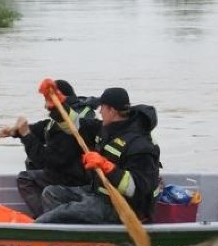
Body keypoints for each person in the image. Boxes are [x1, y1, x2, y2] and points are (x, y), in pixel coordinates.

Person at [35, 86, 160, 224]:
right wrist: (57, 106)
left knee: (61, 214)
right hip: (100, 194)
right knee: (51, 193)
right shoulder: (105, 128)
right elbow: (74, 125)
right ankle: (71, 234)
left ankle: (43, 229)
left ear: (112, 111)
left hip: (125, 207)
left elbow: (138, 188)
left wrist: (107, 167)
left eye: (103, 108)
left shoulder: (140, 144)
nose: (100, 111)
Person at [0, 79, 99, 217]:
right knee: (32, 169)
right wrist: (14, 131)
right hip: (66, 170)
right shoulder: (63, 118)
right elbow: (42, 128)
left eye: (48, 100)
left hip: (73, 177)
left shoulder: (68, 128)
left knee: (26, 179)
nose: (45, 106)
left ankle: (45, 219)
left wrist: (26, 136)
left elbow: (47, 160)